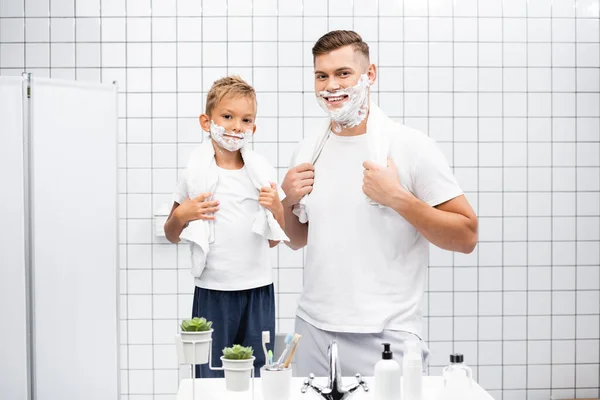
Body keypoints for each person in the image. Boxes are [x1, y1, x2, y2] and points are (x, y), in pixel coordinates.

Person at [280, 30, 479, 377]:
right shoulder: (308, 149)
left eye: (344, 73)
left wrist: (397, 197)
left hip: (387, 336)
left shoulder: (411, 147)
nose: (331, 86)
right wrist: (287, 200)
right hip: (312, 329)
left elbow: (466, 237)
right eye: (321, 76)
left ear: (369, 75)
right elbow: (298, 239)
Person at [164, 76, 287, 377]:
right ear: (207, 122)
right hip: (213, 290)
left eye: (246, 120)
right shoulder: (195, 172)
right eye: (227, 116)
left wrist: (277, 207)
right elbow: (171, 233)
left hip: (258, 290)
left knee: (257, 372)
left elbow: (274, 240)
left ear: (253, 128)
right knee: (210, 373)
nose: (235, 126)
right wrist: (184, 214)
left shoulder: (261, 172)